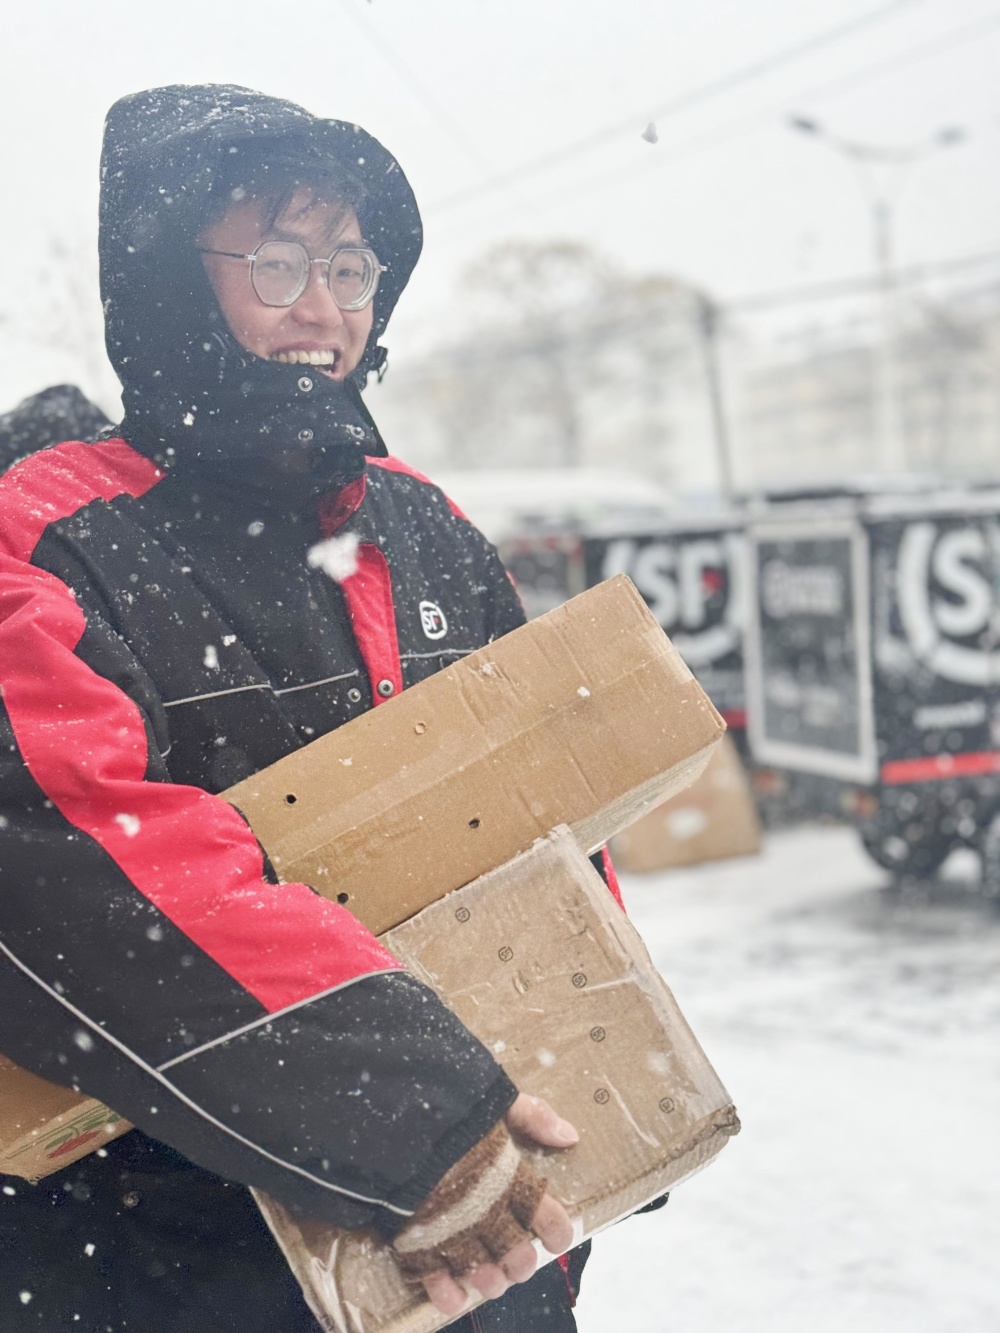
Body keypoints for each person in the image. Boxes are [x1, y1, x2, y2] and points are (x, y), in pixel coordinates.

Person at [0, 84, 622, 1331]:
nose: (326, 309)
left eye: (349, 267)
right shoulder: (50, 535)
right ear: (170, 282)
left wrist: (599, 1097)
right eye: (277, 264)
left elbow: (549, 832)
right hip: (161, 1254)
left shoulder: (422, 521)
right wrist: (418, 1124)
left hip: (482, 1230)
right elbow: (79, 863)